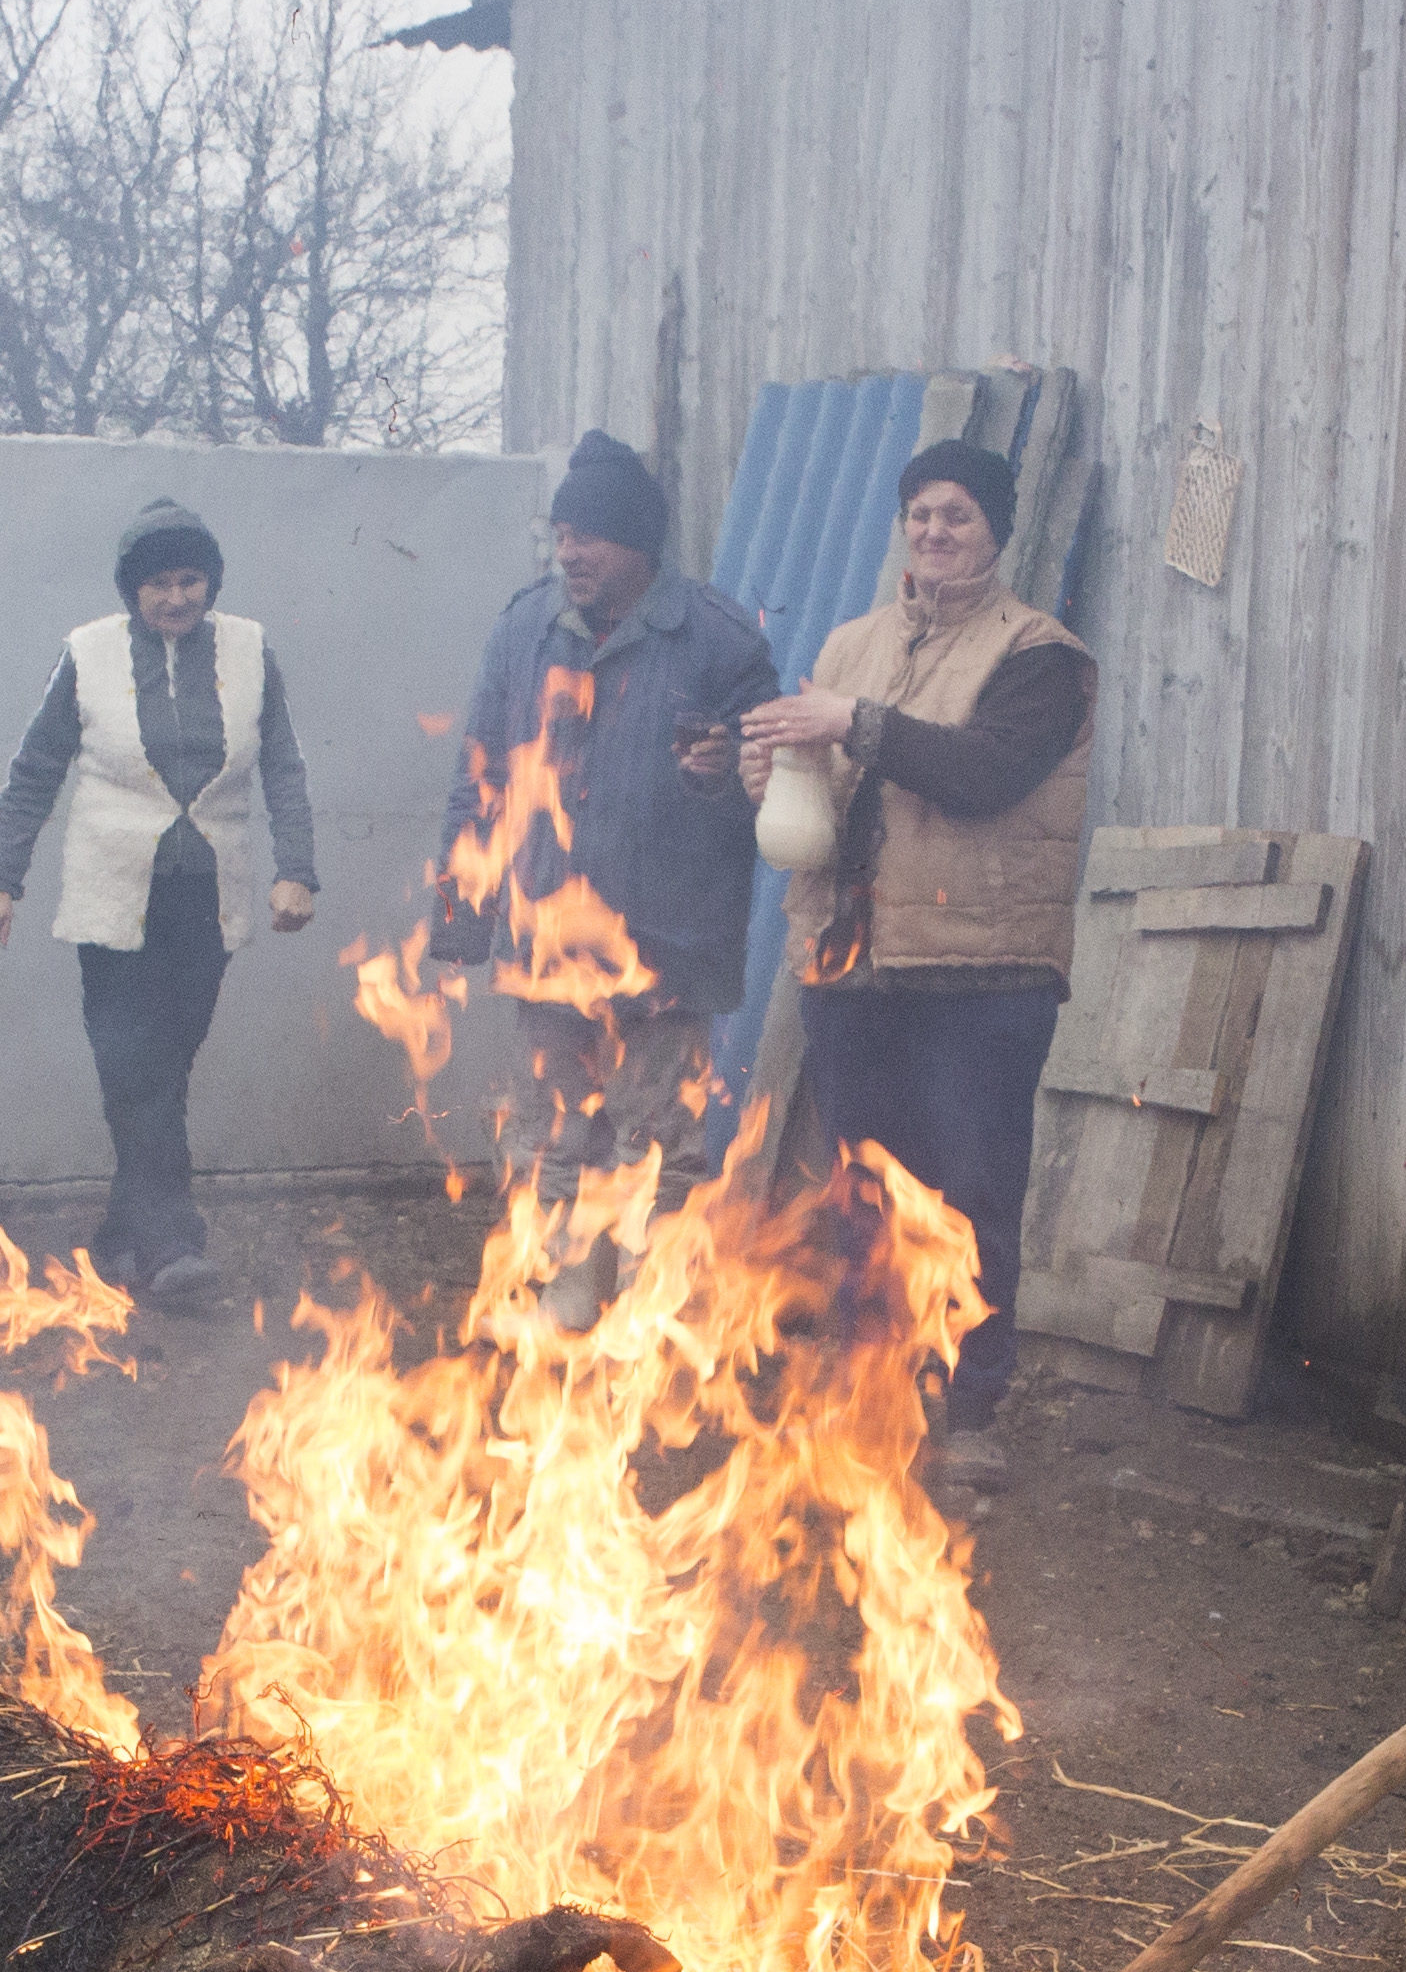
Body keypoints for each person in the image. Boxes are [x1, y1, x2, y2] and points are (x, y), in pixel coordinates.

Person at [739, 439, 1094, 1491]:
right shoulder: (852, 643)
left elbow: (984, 774)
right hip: (855, 962)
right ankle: (870, 1393)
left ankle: (972, 1405)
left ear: (997, 535)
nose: (936, 533)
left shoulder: (1041, 654)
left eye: (960, 518)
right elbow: (818, 801)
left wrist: (851, 723)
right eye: (923, 515)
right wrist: (764, 768)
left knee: (974, 1192)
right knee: (865, 1194)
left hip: (984, 974)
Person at [430, 431, 769, 1327]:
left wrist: (722, 774)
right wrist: (458, 905)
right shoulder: (526, 626)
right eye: (562, 534)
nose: (570, 552)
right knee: (553, 1131)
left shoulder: (718, 641)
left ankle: (652, 1302)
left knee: (655, 1132)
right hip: (547, 931)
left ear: (642, 547)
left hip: (668, 937)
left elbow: (772, 802)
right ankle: (570, 1287)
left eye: (591, 537)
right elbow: (482, 769)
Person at [0, 496, 320, 1302]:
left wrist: (296, 867)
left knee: (165, 1066)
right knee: (136, 1063)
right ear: (133, 590)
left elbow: (285, 767)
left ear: (210, 582)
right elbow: (34, 772)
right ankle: (172, 1246)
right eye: (158, 583)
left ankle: (122, 1236)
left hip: (208, 896)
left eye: (190, 580)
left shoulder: (250, 649)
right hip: (114, 899)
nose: (175, 598)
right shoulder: (86, 654)